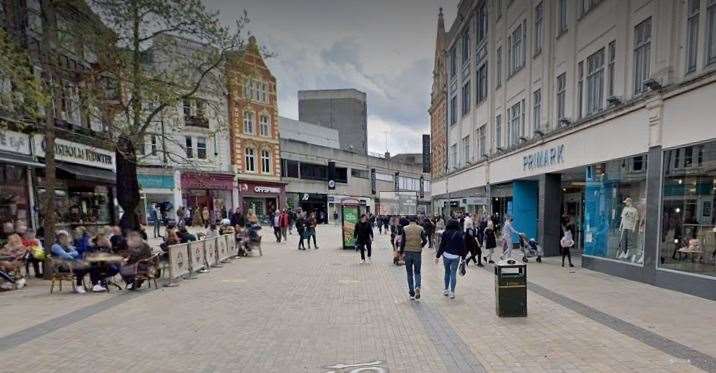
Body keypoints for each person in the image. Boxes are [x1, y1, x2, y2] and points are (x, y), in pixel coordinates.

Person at [435, 219, 466, 299]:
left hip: (446, 255)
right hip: (456, 256)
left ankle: (446, 290)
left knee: (447, 272)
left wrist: (437, 256)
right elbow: (462, 247)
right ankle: (452, 292)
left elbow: (442, 245)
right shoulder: (459, 234)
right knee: (453, 273)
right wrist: (463, 258)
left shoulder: (445, 233)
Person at [400, 216, 427, 300]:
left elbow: (402, 241)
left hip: (408, 252)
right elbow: (425, 240)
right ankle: (417, 286)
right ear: (416, 220)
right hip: (417, 253)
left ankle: (411, 293)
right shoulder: (420, 228)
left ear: (409, 220)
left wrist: (401, 252)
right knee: (417, 272)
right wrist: (420, 246)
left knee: (409, 273)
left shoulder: (405, 228)